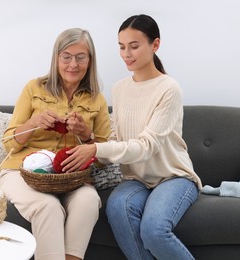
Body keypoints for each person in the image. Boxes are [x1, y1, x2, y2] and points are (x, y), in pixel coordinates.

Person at [61, 15, 203, 259]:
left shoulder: (169, 88)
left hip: (173, 177)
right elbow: (117, 141)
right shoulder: (120, 89)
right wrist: (88, 138)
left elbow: (147, 146)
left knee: (154, 231)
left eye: (134, 46)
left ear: (155, 45)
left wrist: (96, 150)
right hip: (136, 179)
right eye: (122, 46)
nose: (126, 53)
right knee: (117, 209)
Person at [0, 28, 111, 260]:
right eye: (66, 57)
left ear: (90, 61)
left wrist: (87, 135)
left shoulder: (97, 99)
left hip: (71, 177)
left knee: (89, 200)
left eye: (81, 57)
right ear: (56, 59)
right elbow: (8, 144)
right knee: (48, 207)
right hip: (22, 172)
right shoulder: (34, 88)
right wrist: (34, 122)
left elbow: (103, 159)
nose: (73, 64)